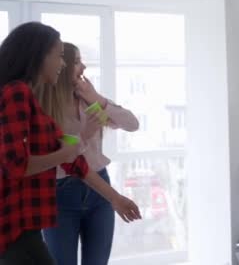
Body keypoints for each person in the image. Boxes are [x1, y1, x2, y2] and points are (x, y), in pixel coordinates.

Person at [0, 22, 140, 265]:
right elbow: (17, 165)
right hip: (15, 226)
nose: (62, 63)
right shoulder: (19, 94)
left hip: (27, 228)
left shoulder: (42, 102)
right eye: (60, 56)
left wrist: (116, 198)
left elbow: (74, 159)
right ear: (39, 56)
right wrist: (69, 150)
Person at [38, 42, 140, 265]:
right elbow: (62, 159)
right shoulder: (45, 107)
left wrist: (98, 99)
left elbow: (132, 124)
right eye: (76, 62)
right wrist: (84, 135)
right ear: (61, 65)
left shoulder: (88, 100)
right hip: (60, 194)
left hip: (100, 190)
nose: (83, 67)